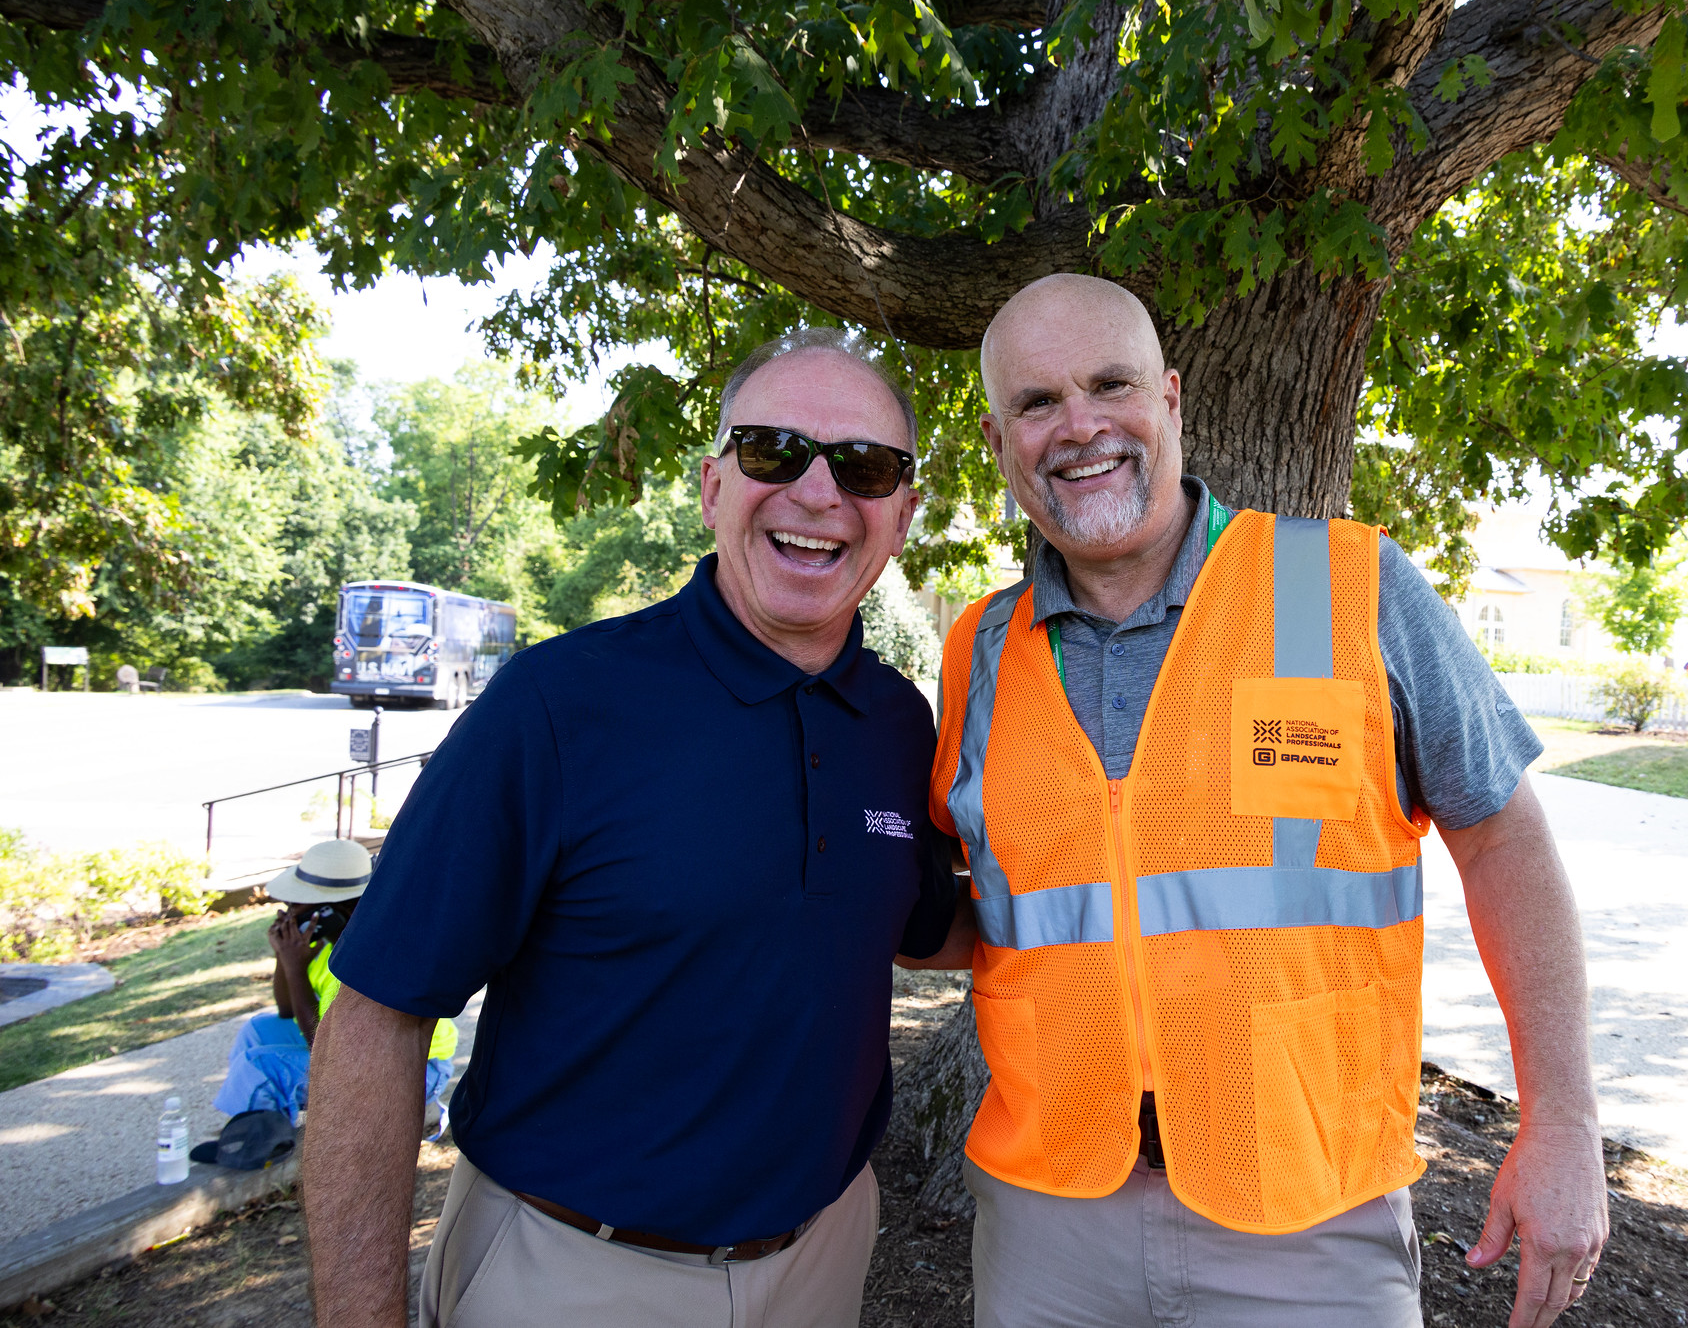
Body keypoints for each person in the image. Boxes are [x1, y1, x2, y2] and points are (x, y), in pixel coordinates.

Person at [920, 274, 1607, 1328]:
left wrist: (1560, 1124)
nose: (1081, 425)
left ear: (1172, 400)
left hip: (1305, 1218)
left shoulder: (1349, 588)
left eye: (1112, 383)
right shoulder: (976, 652)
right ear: (997, 437)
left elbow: (1505, 842)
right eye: (1038, 402)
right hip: (1047, 1217)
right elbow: (1001, 912)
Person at [302, 329, 958, 1328]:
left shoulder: (901, 725)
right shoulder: (558, 707)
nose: (819, 493)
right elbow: (375, 1017)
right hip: (571, 1275)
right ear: (710, 486)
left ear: (902, 515)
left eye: (865, 467)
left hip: (822, 1261)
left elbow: (931, 929)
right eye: (774, 451)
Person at [210, 839, 456, 1126]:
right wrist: (285, 957)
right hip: (358, 1054)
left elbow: (324, 1047)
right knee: (257, 1030)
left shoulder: (372, 956)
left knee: (261, 1065)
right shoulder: (327, 945)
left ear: (336, 912)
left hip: (416, 1071)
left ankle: (263, 1143)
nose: (289, 914)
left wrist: (295, 968)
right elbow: (287, 1010)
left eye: (297, 906)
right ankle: (257, 1126)